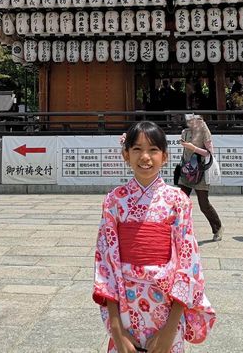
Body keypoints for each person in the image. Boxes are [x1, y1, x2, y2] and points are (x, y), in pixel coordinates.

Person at [93, 120, 216, 353]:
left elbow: (188, 264)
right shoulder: (114, 201)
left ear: (165, 157)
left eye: (153, 150)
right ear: (125, 155)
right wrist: (117, 330)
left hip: (167, 308)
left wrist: (170, 330)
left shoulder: (178, 200)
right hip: (124, 306)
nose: (145, 157)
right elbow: (105, 263)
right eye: (137, 149)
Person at [177, 114, 223, 241]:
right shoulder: (185, 132)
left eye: (195, 120)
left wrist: (194, 148)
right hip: (186, 170)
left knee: (204, 204)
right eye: (189, 121)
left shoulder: (204, 131)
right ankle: (179, 230)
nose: (191, 123)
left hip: (201, 171)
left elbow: (209, 153)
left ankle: (217, 228)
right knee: (180, 201)